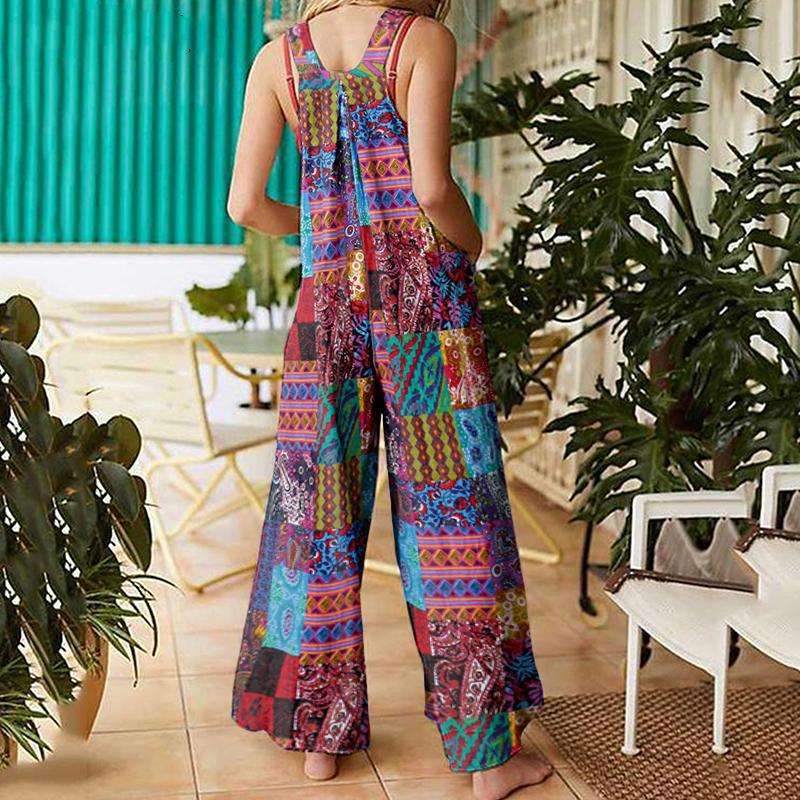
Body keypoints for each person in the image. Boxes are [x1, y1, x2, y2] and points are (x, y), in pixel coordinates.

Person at [227, 2, 551, 798]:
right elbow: (432, 187)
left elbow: (244, 206)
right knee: (451, 518)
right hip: (423, 313)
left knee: (314, 516)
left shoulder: (279, 58)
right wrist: (472, 241)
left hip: (326, 314)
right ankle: (486, 760)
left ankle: (317, 739)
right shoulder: (422, 39)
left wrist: (324, 232)